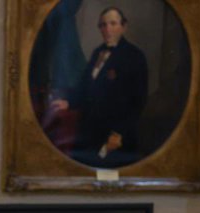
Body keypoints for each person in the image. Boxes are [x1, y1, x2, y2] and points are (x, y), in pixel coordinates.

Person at [50, 6, 148, 167]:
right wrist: (68, 102)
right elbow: (85, 86)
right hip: (89, 129)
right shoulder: (98, 52)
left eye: (113, 23)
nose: (107, 29)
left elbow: (138, 101)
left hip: (115, 136)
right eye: (103, 25)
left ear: (123, 27)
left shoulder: (135, 56)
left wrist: (118, 133)